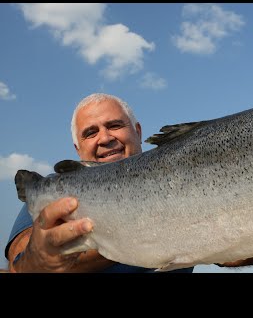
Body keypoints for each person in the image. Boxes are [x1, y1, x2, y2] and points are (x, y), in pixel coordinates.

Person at [5, 93, 193, 273]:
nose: (105, 138)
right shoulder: (55, 191)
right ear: (78, 149)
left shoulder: (185, 175)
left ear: (137, 131)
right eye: (90, 133)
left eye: (115, 125)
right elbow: (18, 262)